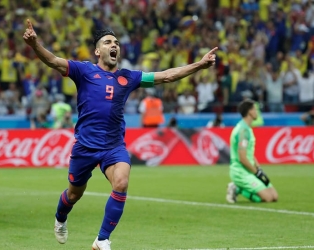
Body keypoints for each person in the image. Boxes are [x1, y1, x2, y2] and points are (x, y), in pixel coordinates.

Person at [23, 19, 217, 250]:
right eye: (107, 42)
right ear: (97, 51)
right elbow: (53, 61)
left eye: (116, 42)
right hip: (85, 146)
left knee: (122, 182)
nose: (114, 45)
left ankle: (102, 239)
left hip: (113, 146)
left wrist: (199, 65)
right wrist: (35, 45)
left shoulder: (129, 77)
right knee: (74, 195)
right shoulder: (84, 71)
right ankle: (60, 218)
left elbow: (166, 76)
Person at [226, 99, 278, 204]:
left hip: (249, 169)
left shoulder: (247, 128)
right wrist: (256, 173)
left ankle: (240, 187)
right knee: (267, 198)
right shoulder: (243, 131)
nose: (257, 111)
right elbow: (242, 158)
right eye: (255, 109)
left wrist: (259, 168)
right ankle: (237, 188)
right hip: (240, 172)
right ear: (249, 112)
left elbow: (249, 153)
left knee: (274, 196)